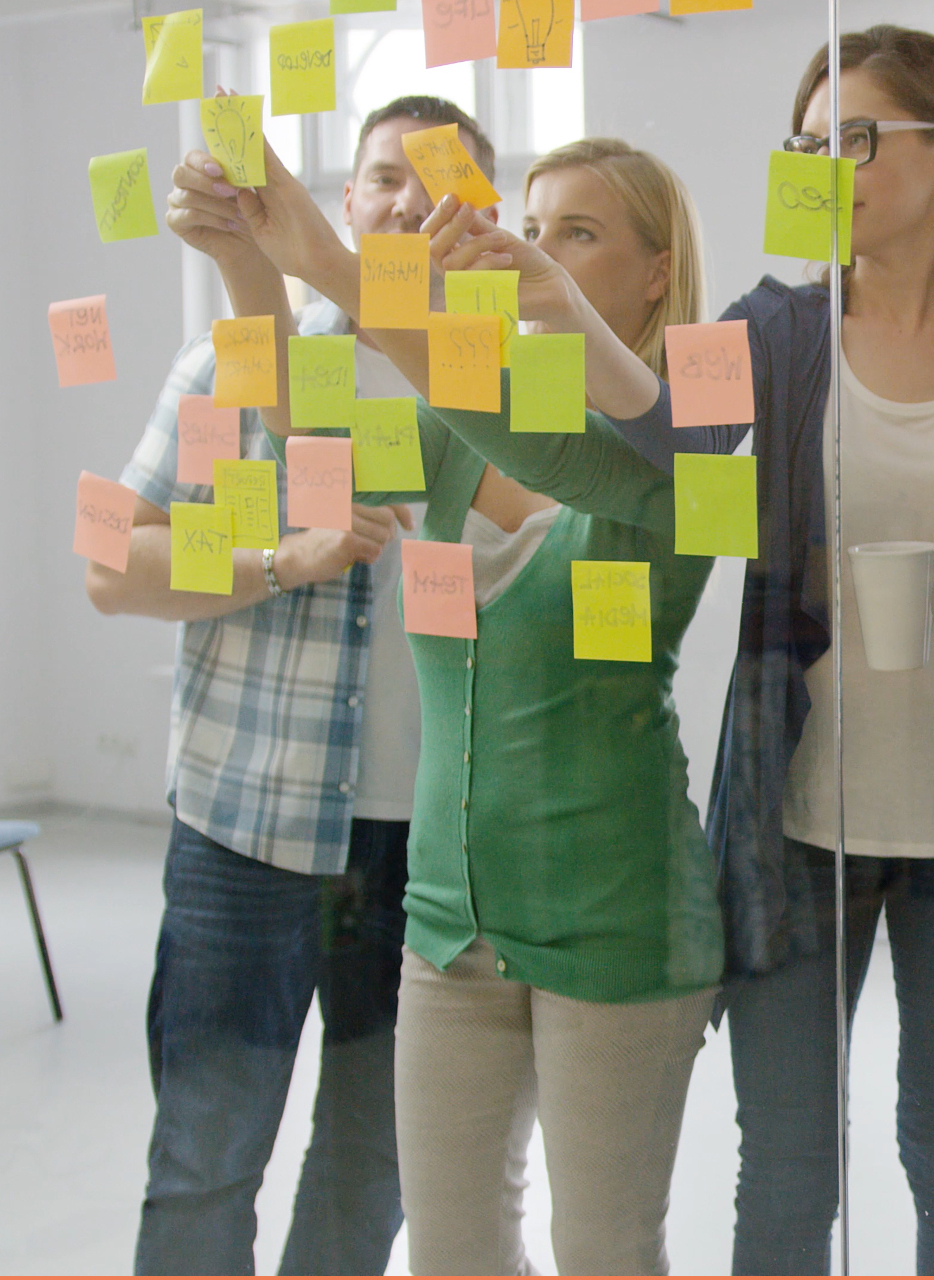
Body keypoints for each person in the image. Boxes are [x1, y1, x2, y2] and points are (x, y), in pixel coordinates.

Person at [366, 25, 934, 1273]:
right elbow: (656, 452)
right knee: (790, 1160)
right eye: (808, 144)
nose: (826, 164)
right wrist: (541, 310)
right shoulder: (765, 328)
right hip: (794, 810)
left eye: (856, 139)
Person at [166, 129, 725, 1275]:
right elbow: (305, 433)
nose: (536, 247)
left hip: (618, 920)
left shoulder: (705, 424)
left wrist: (331, 257)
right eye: (532, 220)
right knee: (454, 1254)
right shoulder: (453, 433)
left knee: (607, 1251)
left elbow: (569, 453)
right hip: (449, 923)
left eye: (578, 229)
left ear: (658, 268)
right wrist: (245, 260)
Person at [86, 95, 491, 1277]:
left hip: (430, 853)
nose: (411, 200)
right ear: (341, 203)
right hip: (244, 829)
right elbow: (115, 564)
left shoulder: (507, 390)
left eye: (442, 177)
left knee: (375, 1167)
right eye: (384, 178)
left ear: (487, 213)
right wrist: (277, 560)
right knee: (207, 1160)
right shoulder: (227, 359)